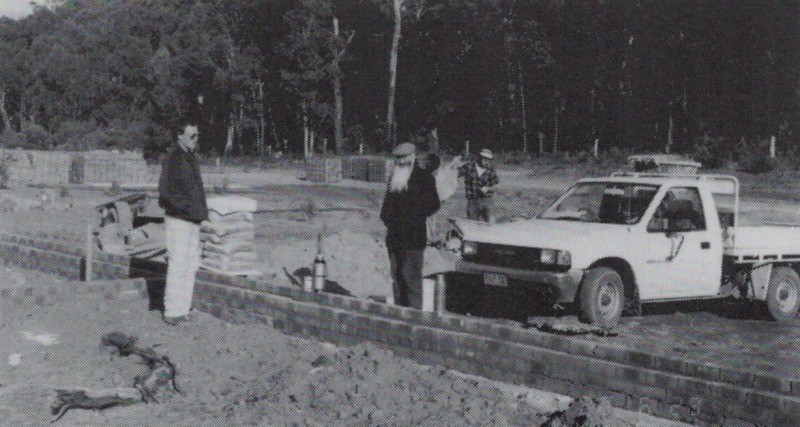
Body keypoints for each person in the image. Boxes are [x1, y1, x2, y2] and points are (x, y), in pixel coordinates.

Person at [158, 124, 208, 325]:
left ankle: (183, 309)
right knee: (178, 265)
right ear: (180, 135)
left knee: (191, 265)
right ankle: (172, 311)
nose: (196, 139)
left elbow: (197, 190)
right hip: (179, 219)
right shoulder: (173, 158)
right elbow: (166, 193)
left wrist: (201, 213)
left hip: (193, 219)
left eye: (198, 135)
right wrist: (187, 209)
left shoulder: (191, 158)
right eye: (192, 135)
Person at [380, 142, 441, 309]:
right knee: (397, 277)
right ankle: (400, 313)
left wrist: (414, 216)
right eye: (397, 159)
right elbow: (387, 205)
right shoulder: (394, 178)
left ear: (412, 157)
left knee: (411, 278)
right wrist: (388, 219)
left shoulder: (424, 178)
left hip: (413, 237)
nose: (400, 162)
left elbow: (434, 204)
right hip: (394, 237)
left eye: (403, 158)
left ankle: (414, 317)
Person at [458, 148, 499, 222]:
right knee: (472, 223)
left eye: (489, 160)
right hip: (473, 201)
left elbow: (496, 185)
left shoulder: (491, 170)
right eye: (485, 159)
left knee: (490, 223)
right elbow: (458, 173)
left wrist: (487, 188)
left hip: (487, 201)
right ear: (480, 158)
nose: (487, 161)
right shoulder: (469, 167)